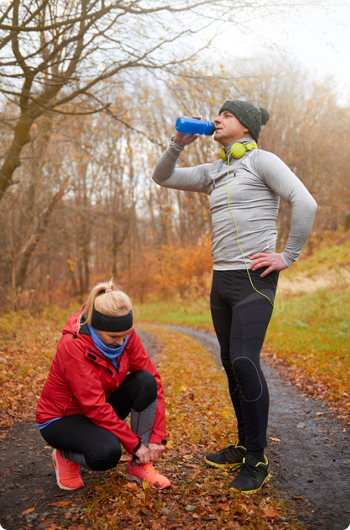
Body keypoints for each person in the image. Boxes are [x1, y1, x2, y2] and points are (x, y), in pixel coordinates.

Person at [152, 100, 317, 494]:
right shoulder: (215, 170)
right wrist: (177, 142)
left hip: (254, 279)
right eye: (218, 114)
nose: (217, 119)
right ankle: (244, 444)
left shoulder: (262, 161)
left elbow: (306, 203)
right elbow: (163, 177)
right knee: (230, 363)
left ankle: (257, 458)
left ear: (246, 127)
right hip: (221, 280)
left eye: (225, 115)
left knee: (244, 360)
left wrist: (287, 256)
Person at [36, 281, 170, 491]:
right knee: (106, 453)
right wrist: (133, 444)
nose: (121, 343)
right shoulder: (73, 345)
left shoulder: (126, 336)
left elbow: (154, 379)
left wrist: (157, 437)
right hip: (62, 418)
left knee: (145, 381)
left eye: (125, 335)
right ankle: (65, 454)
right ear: (96, 327)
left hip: (99, 408)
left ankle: (140, 464)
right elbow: (94, 406)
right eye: (114, 337)